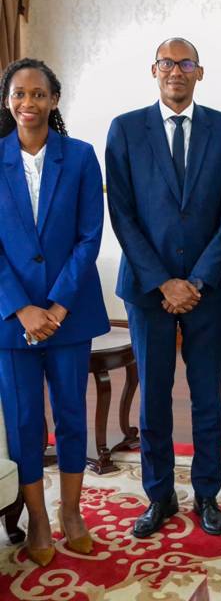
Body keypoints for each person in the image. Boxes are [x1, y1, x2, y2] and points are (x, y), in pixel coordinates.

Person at [105, 38, 221, 538]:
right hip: (147, 291)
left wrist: (198, 279)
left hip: (207, 289)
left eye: (186, 64)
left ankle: (207, 494)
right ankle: (159, 496)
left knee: (208, 397)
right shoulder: (125, 129)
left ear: (200, 73)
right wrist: (163, 280)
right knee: (154, 398)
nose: (176, 72)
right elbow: (121, 212)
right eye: (168, 63)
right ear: (154, 70)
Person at [0, 58, 109, 566]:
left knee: (69, 415)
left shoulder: (82, 157)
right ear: (8, 101)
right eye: (19, 94)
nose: (29, 103)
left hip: (70, 316)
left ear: (54, 100)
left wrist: (59, 306)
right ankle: (38, 519)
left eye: (38, 93)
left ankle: (71, 512)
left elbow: (90, 237)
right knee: (24, 421)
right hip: (11, 321)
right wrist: (22, 308)